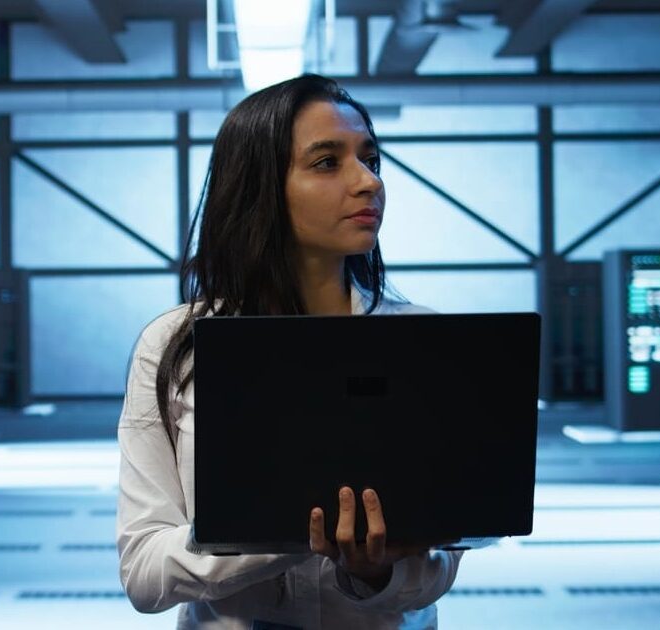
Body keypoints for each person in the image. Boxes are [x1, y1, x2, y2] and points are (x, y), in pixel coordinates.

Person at [116, 74, 463, 629]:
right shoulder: (176, 348)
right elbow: (145, 573)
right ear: (259, 188)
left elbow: (441, 561)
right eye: (328, 162)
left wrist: (374, 572)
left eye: (370, 159)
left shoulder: (424, 344)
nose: (367, 182)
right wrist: (295, 533)